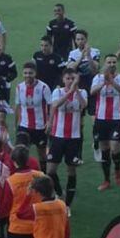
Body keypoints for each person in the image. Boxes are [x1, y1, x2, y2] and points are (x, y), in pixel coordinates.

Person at [47, 68, 88, 209]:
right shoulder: (57, 92)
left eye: (73, 78)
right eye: (68, 78)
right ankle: (59, 193)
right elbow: (55, 105)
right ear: (63, 79)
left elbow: (84, 106)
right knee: (50, 170)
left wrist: (75, 90)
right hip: (58, 136)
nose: (70, 81)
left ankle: (67, 205)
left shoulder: (82, 92)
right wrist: (69, 92)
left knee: (71, 170)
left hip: (74, 138)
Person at [91, 55, 120, 191]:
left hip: (116, 118)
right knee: (104, 149)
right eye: (109, 62)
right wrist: (103, 82)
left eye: (114, 62)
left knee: (115, 148)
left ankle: (117, 168)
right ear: (105, 64)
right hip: (101, 119)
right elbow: (92, 92)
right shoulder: (98, 78)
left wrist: (111, 80)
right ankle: (106, 180)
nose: (111, 64)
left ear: (116, 64)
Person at [67, 29, 102, 158]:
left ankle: (96, 142)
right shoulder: (72, 53)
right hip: (79, 90)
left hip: (92, 88)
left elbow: (95, 70)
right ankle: (78, 153)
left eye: (82, 39)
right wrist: (81, 56)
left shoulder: (95, 52)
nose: (80, 41)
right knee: (79, 123)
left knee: (95, 120)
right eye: (77, 39)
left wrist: (88, 56)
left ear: (86, 39)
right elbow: (70, 69)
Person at [14, 60, 52, 165]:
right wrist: (16, 123)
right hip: (24, 126)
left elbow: (51, 105)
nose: (28, 75)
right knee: (20, 152)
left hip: (40, 127)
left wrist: (49, 121)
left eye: (30, 73)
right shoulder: (19, 87)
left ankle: (43, 176)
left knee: (42, 155)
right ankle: (23, 175)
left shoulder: (44, 87)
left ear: (35, 73)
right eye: (25, 73)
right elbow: (18, 106)